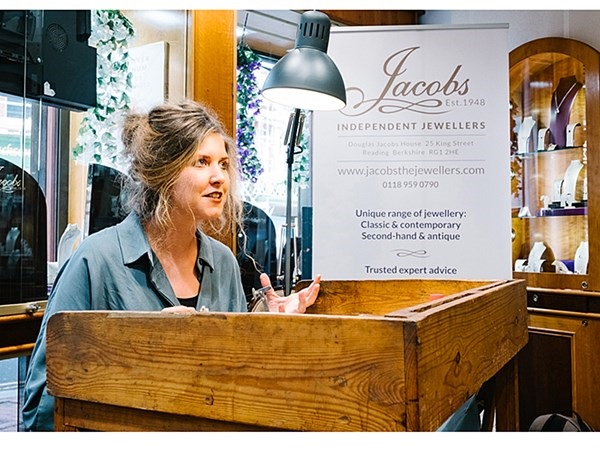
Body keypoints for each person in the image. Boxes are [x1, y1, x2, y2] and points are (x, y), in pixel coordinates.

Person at [22, 100, 321, 431]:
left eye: (223, 164)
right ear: (163, 172)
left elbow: (235, 386)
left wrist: (269, 332)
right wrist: (149, 347)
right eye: (201, 162)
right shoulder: (96, 260)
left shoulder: (223, 262)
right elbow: (40, 407)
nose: (219, 177)